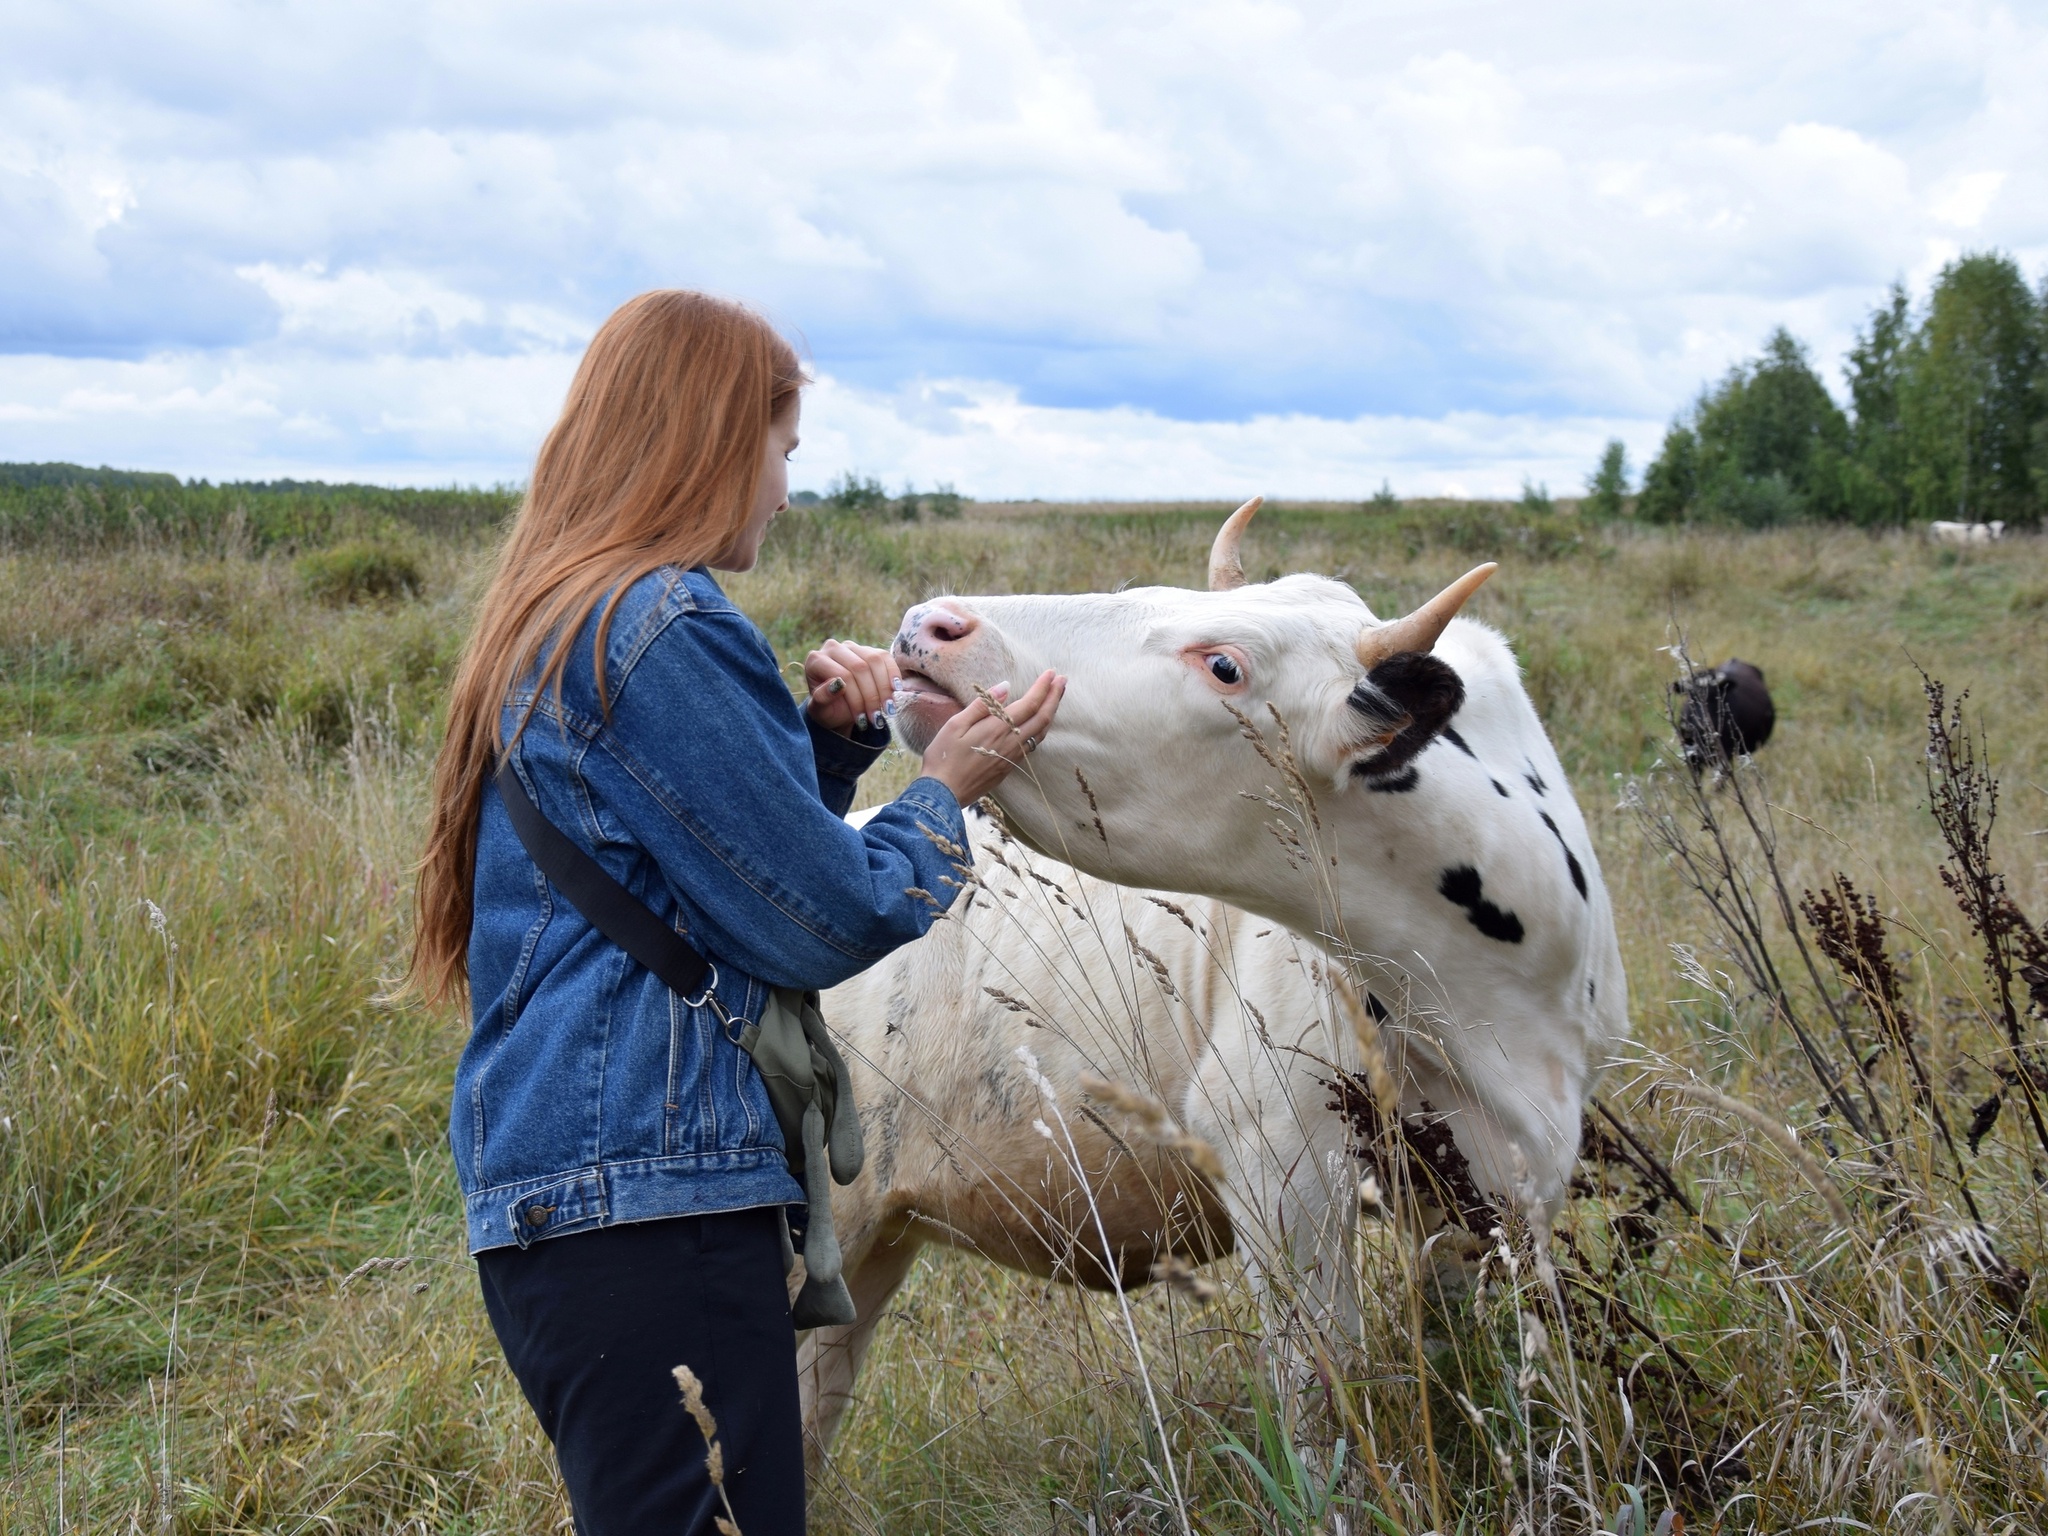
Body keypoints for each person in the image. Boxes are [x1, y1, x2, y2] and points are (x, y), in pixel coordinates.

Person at [409, 290, 1064, 1535]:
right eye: (780, 451)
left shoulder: (566, 618)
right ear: (711, 439)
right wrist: (944, 794)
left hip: (580, 1209)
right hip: (652, 1215)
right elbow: (816, 922)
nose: (780, 489)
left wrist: (821, 752)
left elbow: (674, 873)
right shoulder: (661, 624)